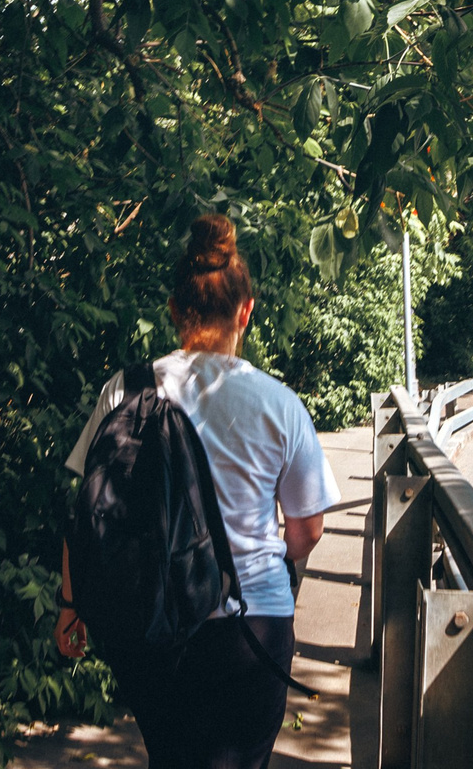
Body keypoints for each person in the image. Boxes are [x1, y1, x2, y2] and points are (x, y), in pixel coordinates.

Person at [57, 213, 341, 769]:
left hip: (151, 624)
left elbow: (88, 513)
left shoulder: (126, 390)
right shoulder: (279, 404)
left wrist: (71, 606)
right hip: (251, 627)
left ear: (174, 310)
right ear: (246, 311)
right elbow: (307, 531)